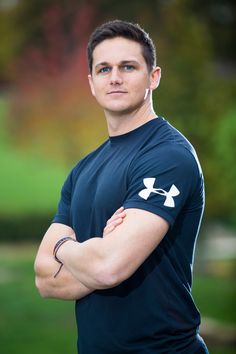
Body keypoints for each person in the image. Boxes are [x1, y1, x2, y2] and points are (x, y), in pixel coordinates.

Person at [34, 20, 209, 354]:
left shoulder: (168, 156)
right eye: (103, 69)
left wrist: (64, 247)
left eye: (127, 67)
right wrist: (99, 248)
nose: (114, 77)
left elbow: (109, 267)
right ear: (91, 83)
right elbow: (44, 280)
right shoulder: (83, 169)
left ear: (153, 77)